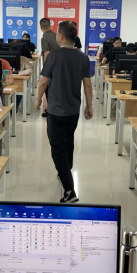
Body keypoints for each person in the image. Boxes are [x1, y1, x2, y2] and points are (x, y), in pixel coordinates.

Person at [35, 21, 93, 204]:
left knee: (57, 149)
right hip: (73, 110)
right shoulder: (83, 57)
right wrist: (89, 106)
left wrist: (38, 99)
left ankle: (70, 191)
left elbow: (43, 81)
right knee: (68, 141)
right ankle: (65, 171)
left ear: (60, 36)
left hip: (56, 111)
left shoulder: (53, 56)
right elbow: (88, 84)